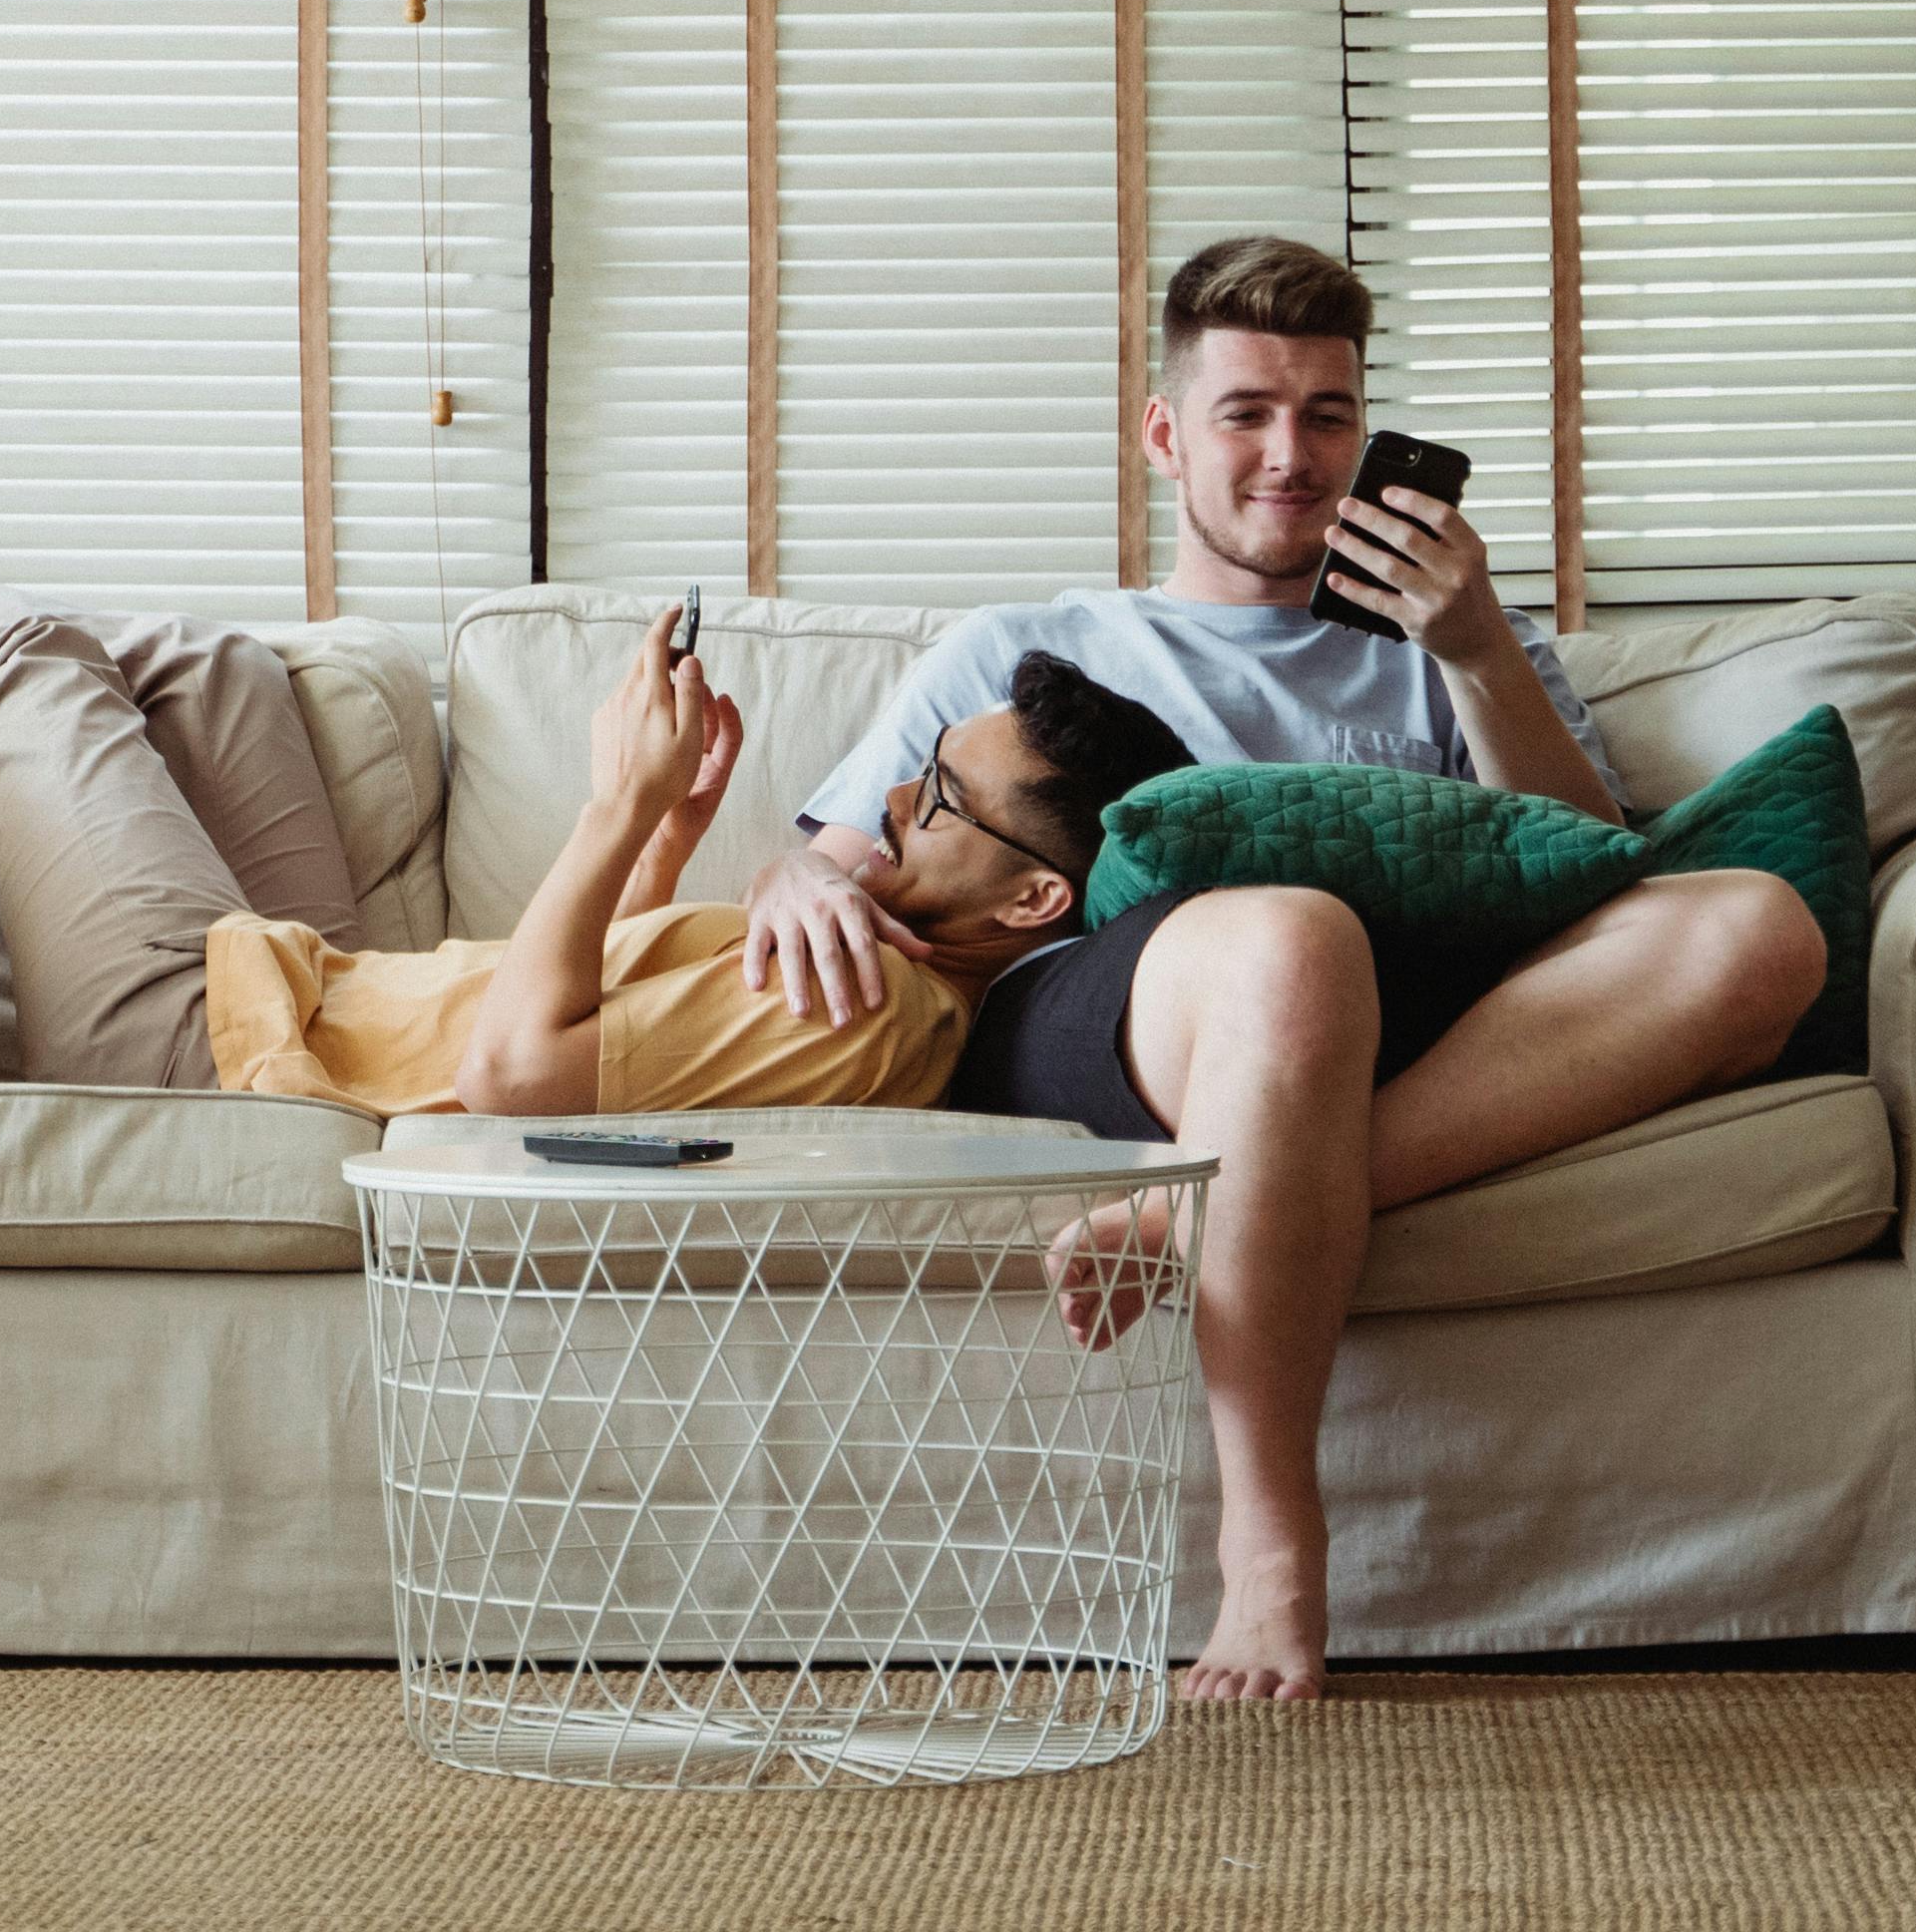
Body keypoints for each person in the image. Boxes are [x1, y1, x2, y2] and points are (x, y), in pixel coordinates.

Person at [750, 237, 1829, 1702]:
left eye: (1329, 415)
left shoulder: (1461, 644)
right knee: (1292, 929)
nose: (1292, 455)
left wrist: (1475, 657)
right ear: (1166, 434)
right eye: (1247, 410)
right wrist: (795, 876)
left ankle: (1187, 1206)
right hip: (1118, 1016)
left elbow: (1590, 869)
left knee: (1758, 925)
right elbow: (833, 853)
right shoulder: (1033, 643)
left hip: (1411, 1021)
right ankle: (1271, 1554)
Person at [0, 368, 1194, 1122]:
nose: (881, 811)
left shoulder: (865, 1018)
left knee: (24, 675)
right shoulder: (862, 945)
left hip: (216, 1065)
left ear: (1031, 902)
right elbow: (620, 1004)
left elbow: (519, 1078)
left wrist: (607, 814)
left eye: (931, 801)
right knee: (214, 670)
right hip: (332, 990)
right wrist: (654, 829)